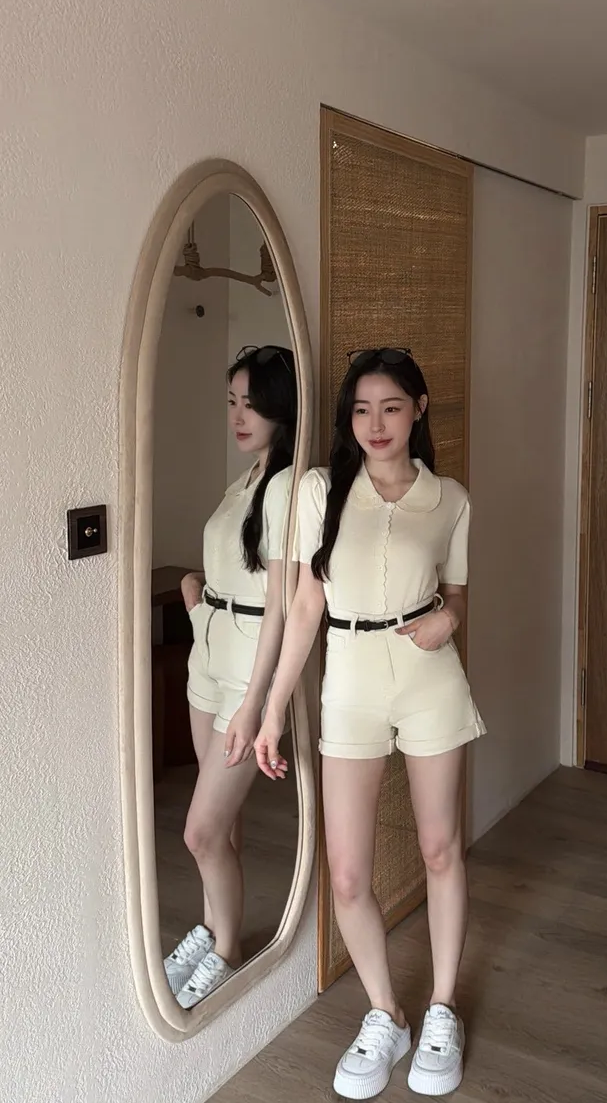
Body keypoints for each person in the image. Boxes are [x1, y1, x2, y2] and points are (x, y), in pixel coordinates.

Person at [254, 347, 485, 1099]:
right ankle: (387, 1014)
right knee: (348, 872)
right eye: (360, 409)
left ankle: (442, 1008)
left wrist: (450, 619)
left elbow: (456, 592)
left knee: (440, 848)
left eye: (390, 407)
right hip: (349, 680)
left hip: (427, 678)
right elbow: (304, 606)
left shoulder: (450, 499)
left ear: (419, 409)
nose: (375, 423)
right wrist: (272, 711)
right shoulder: (320, 490)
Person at [162, 344, 297, 1009]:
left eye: (253, 404)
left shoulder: (289, 487)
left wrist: (258, 702)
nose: (239, 417)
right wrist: (196, 598)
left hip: (247, 668)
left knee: (201, 831)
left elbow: (282, 605)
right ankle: (215, 927)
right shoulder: (244, 480)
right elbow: (225, 570)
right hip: (209, 655)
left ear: (282, 409)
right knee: (222, 819)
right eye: (232, 403)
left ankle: (226, 952)